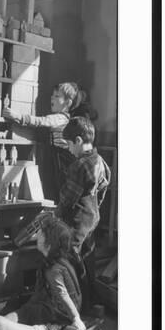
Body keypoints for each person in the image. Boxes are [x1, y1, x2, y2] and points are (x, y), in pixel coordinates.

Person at [54, 116, 111, 311]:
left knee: (71, 258)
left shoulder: (78, 166)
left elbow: (68, 198)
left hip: (78, 221)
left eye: (69, 144)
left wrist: (57, 216)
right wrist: (94, 211)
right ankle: (90, 300)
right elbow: (104, 186)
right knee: (89, 259)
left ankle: (75, 303)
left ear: (78, 141)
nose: (69, 149)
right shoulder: (100, 161)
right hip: (93, 218)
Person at [2, 82, 95, 193]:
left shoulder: (60, 118)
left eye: (57, 96)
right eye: (52, 95)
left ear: (68, 102)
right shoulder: (62, 117)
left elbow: (41, 121)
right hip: (56, 156)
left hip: (61, 158)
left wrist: (18, 116)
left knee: (58, 185)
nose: (52, 98)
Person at [5, 214, 86, 330]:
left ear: (49, 244)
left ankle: (0, 324)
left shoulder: (53, 269)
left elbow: (62, 294)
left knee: (25, 312)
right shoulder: (59, 257)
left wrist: (76, 319)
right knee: (17, 301)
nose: (37, 235)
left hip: (58, 312)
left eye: (41, 234)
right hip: (59, 305)